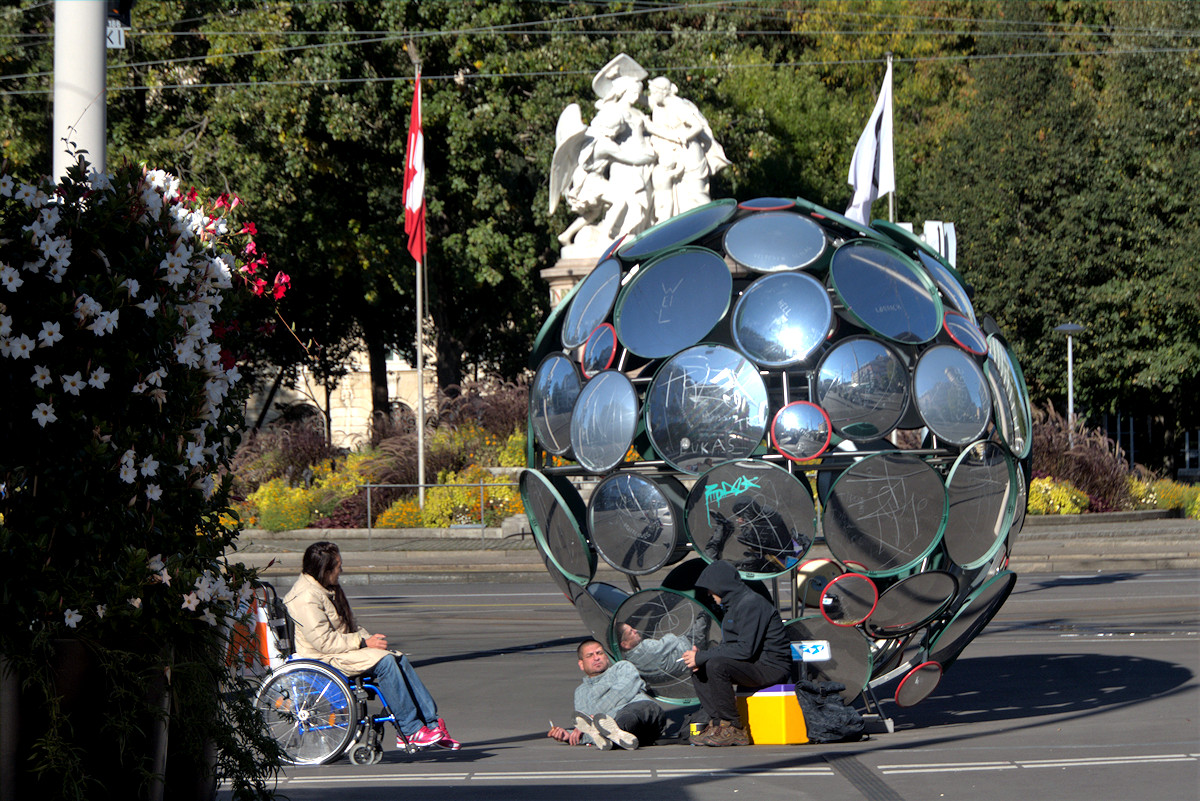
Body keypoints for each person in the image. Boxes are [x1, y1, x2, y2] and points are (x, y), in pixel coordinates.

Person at [284, 541, 461, 751]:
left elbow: (349, 627)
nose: (341, 570)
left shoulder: (324, 588)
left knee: (396, 657)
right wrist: (364, 643)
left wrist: (371, 640)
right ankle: (410, 729)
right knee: (385, 663)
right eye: (338, 565)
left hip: (338, 650)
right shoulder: (305, 597)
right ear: (325, 570)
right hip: (323, 658)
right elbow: (323, 642)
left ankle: (431, 724)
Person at [680, 560, 792, 747]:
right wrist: (702, 658)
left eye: (710, 588)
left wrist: (705, 656)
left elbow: (745, 649)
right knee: (700, 667)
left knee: (716, 665)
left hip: (771, 666)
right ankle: (718, 724)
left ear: (721, 586)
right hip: (753, 664)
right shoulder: (734, 606)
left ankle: (733, 727)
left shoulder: (752, 603)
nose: (708, 593)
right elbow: (731, 647)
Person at [547, 639, 666, 750]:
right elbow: (588, 730)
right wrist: (569, 735)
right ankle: (613, 737)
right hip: (630, 735)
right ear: (581, 664)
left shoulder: (623, 667)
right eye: (590, 655)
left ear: (607, 658)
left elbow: (620, 693)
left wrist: (593, 718)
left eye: (599, 653)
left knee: (628, 715)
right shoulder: (580, 693)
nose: (596, 658)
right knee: (606, 727)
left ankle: (611, 734)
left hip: (645, 716)